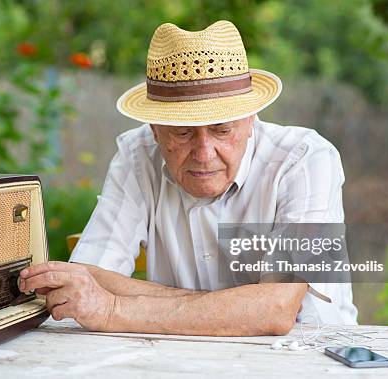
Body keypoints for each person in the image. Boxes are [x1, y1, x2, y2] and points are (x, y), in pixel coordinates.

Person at [19, 20, 358, 335]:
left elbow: (277, 309)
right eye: (182, 133)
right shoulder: (136, 156)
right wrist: (230, 307)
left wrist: (114, 309)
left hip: (309, 359)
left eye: (222, 129)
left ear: (251, 118)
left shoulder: (305, 159)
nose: (204, 153)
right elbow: (86, 278)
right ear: (154, 129)